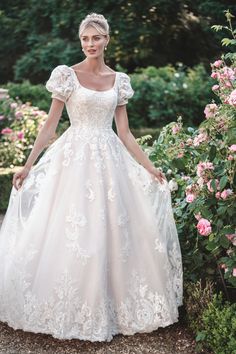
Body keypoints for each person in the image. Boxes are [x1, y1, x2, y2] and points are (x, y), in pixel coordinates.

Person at [0, 13, 183, 342]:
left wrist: (148, 166)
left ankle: (112, 305)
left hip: (109, 159)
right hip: (73, 159)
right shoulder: (66, 76)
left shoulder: (119, 80)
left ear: (106, 40)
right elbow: (50, 128)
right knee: (72, 229)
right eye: (85, 38)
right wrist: (27, 165)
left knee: (112, 229)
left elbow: (125, 133)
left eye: (95, 38)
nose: (90, 44)